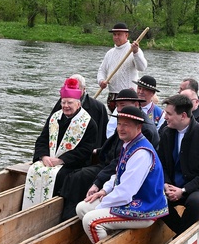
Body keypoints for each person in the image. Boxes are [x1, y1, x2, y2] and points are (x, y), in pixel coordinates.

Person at [59, 89, 158, 220]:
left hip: (118, 171)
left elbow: (123, 163)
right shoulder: (125, 122)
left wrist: (100, 182)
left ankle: (70, 218)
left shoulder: (143, 131)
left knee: (80, 177)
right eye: (117, 106)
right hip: (110, 165)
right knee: (70, 172)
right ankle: (65, 212)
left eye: (123, 105)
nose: (119, 109)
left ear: (136, 105)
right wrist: (95, 152)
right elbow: (110, 147)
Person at [76, 106, 168, 244]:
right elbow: (118, 175)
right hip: (129, 200)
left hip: (145, 208)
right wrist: (103, 190)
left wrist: (102, 205)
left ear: (139, 127)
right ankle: (112, 240)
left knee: (91, 221)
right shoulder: (130, 144)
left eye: (126, 125)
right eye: (119, 124)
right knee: (82, 208)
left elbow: (125, 192)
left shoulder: (141, 153)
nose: (120, 128)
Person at [22, 78, 98, 210]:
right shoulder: (54, 118)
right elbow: (42, 139)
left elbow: (85, 150)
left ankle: (52, 210)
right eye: (63, 103)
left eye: (70, 103)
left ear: (78, 104)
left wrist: (61, 160)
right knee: (33, 170)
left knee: (60, 176)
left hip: (72, 164)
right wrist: (43, 156)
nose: (66, 106)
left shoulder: (89, 123)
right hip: (49, 160)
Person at [156, 94, 199, 236]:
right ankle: (182, 234)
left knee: (195, 203)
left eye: (169, 114)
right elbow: (161, 165)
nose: (165, 117)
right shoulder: (166, 133)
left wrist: (183, 190)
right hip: (172, 185)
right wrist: (166, 184)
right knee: (155, 200)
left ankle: (180, 239)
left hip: (198, 187)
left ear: (183, 116)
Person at [97, 22, 148, 112]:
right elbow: (102, 70)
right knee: (113, 122)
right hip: (112, 96)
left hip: (128, 96)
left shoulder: (134, 50)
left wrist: (135, 52)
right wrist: (101, 81)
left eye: (119, 34)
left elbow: (142, 67)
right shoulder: (110, 53)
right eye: (114, 34)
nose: (116, 37)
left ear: (126, 35)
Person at [48, 74, 108, 148]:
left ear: (84, 89)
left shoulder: (98, 108)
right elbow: (50, 129)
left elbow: (102, 135)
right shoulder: (61, 104)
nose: (66, 105)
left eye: (77, 88)